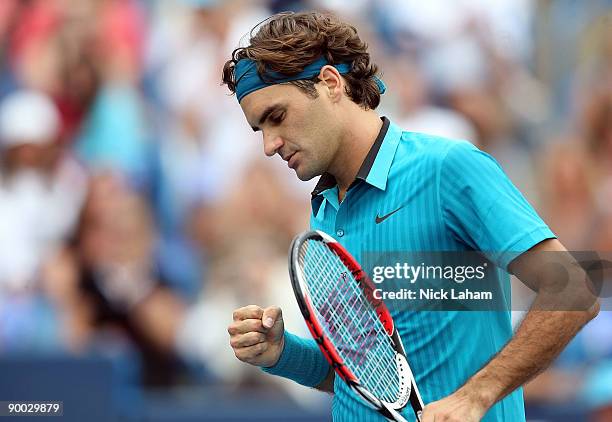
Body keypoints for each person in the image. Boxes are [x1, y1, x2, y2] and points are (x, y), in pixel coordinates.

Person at [221, 11, 599, 422]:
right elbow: (368, 376)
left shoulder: (447, 168)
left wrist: (476, 395)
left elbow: (574, 290)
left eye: (276, 117)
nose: (269, 145)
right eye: (259, 129)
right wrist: (281, 353)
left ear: (330, 83)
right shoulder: (326, 210)